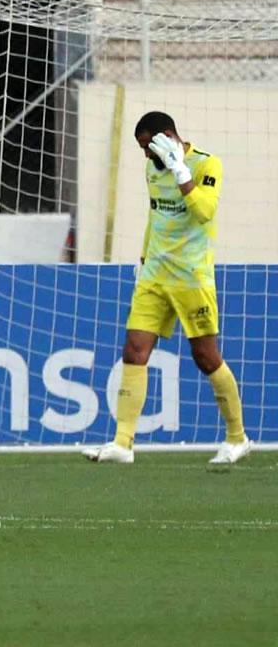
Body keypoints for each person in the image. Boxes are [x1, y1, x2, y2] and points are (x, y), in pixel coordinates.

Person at [84, 111, 250, 465]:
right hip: (155, 275)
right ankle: (123, 443)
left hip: (191, 277)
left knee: (206, 357)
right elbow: (156, 215)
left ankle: (238, 438)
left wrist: (182, 173)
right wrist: (144, 258)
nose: (146, 155)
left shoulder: (207, 165)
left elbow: (204, 212)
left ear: (167, 136)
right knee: (134, 350)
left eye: (148, 147)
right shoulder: (152, 170)